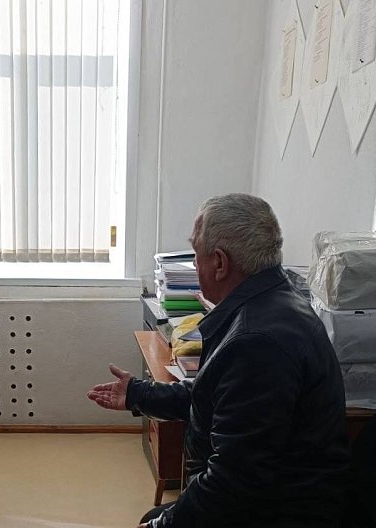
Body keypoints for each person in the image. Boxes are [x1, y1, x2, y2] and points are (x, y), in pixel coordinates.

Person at [87, 193, 350, 528]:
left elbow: (233, 483)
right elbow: (213, 395)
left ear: (220, 263)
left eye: (196, 253)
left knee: (154, 519)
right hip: (268, 498)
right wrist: (139, 394)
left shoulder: (257, 342)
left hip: (278, 513)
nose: (194, 264)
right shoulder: (273, 303)